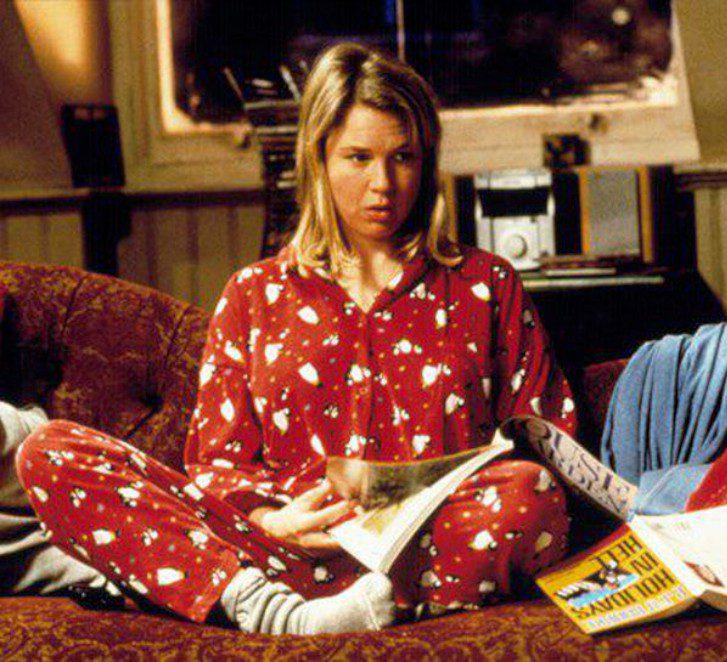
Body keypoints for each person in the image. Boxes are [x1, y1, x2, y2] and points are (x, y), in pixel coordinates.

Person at [14, 42, 575, 634]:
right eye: (358, 158)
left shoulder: (486, 285)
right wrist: (271, 522)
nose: (383, 183)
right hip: (279, 557)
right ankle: (282, 610)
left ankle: (358, 605)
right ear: (319, 159)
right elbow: (216, 465)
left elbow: (549, 443)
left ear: (427, 161)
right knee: (49, 452)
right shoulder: (253, 294)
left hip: (435, 545)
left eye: (403, 157)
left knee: (530, 491)